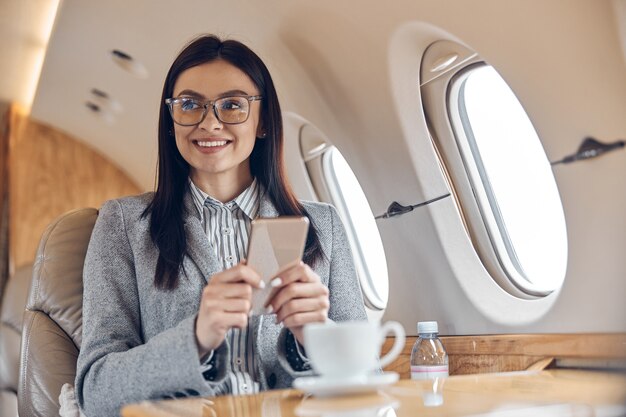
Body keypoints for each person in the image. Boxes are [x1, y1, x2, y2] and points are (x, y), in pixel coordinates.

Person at [75, 34, 367, 416]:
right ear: (171, 119)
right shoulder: (123, 226)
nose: (210, 123)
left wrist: (315, 336)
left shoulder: (322, 225)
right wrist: (195, 339)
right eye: (190, 105)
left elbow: (366, 382)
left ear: (263, 122)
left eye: (232, 105)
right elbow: (96, 391)